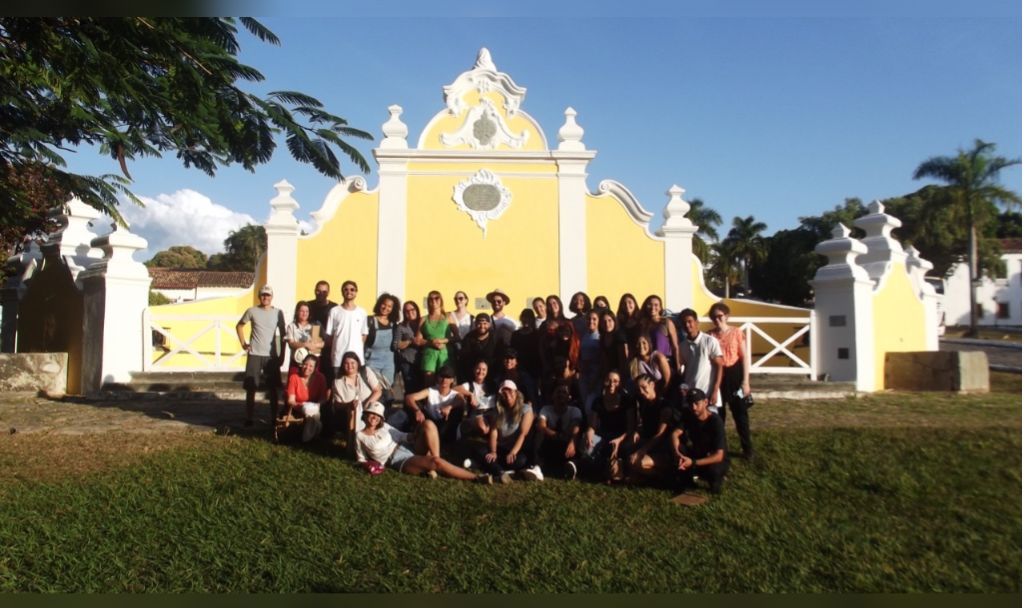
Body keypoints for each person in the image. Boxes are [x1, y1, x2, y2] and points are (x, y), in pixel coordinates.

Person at [356, 402, 492, 484]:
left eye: (377, 415)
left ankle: (434, 461)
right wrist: (368, 465)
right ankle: (477, 478)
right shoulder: (360, 436)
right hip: (397, 458)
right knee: (435, 462)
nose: (374, 417)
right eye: (371, 413)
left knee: (428, 424)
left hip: (407, 445)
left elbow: (401, 435)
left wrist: (416, 435)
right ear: (366, 414)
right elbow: (361, 459)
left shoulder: (384, 426)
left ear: (381, 418)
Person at [707, 302, 754, 459]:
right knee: (719, 415)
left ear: (726, 316)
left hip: (734, 373)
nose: (717, 320)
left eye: (719, 316)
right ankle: (720, 449)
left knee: (740, 414)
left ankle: (747, 449)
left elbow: (744, 357)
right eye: (714, 317)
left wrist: (746, 381)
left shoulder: (736, 332)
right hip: (718, 375)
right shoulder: (710, 335)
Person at [236, 284, 286, 427]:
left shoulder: (278, 312)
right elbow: (239, 326)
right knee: (251, 387)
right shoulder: (251, 311)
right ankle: (249, 418)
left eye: (268, 295)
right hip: (255, 354)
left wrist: (282, 354)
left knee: (273, 389)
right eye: (263, 295)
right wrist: (243, 343)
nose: (265, 297)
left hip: (271, 356)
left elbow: (283, 334)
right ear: (259, 296)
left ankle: (274, 418)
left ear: (272, 297)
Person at [475, 380, 543, 483]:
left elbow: (523, 434)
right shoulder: (497, 410)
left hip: (517, 449)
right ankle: (500, 471)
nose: (507, 395)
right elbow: (494, 432)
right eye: (504, 392)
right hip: (500, 447)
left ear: (516, 392)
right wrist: (493, 451)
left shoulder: (526, 409)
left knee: (521, 460)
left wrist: (512, 452)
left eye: (510, 391)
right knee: (479, 450)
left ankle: (492, 467)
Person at [669, 389, 729, 495]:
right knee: (680, 449)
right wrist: (677, 453)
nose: (693, 407)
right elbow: (675, 434)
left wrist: (693, 462)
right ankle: (687, 480)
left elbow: (719, 455)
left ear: (705, 402)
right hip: (697, 453)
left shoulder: (715, 421)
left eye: (697, 403)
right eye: (690, 404)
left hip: (712, 457)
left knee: (714, 472)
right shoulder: (688, 415)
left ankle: (715, 481)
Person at [582, 370, 636, 482]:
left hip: (623, 436)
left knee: (628, 446)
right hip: (604, 435)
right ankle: (604, 467)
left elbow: (631, 427)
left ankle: (615, 468)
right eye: (609, 380)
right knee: (587, 445)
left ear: (620, 383)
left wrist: (619, 440)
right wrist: (589, 432)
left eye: (615, 381)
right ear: (604, 382)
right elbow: (593, 425)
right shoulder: (598, 401)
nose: (612, 384)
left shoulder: (627, 401)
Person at [329, 351, 382, 448]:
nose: (350, 366)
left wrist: (367, 404)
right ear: (342, 365)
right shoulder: (338, 382)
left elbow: (378, 391)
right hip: (349, 412)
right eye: (346, 363)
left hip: (369, 407)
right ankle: (353, 445)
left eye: (353, 363)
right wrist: (349, 404)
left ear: (358, 363)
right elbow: (337, 404)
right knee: (354, 411)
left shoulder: (366, 372)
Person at [401, 365, 464, 443]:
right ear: (437, 378)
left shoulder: (455, 394)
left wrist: (449, 407)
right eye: (442, 377)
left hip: (445, 424)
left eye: (447, 378)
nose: (444, 380)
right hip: (430, 421)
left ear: (452, 380)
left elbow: (461, 401)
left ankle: (448, 439)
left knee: (458, 409)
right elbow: (409, 397)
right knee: (413, 404)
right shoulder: (431, 390)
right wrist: (417, 411)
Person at [627, 373, 672, 481]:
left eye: (644, 387)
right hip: (647, 440)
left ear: (652, 385)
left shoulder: (664, 406)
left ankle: (663, 475)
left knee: (639, 462)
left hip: (663, 445)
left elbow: (660, 434)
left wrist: (642, 450)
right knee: (628, 454)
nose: (641, 392)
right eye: (639, 389)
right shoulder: (642, 402)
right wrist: (637, 431)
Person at [535, 381, 584, 480]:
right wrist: (557, 435)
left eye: (564, 392)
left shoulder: (575, 411)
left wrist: (572, 442)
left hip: (568, 445)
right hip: (551, 443)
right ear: (552, 396)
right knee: (539, 434)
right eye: (558, 392)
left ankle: (572, 466)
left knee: (578, 437)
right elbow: (541, 426)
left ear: (569, 397)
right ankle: (537, 465)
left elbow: (575, 427)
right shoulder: (546, 409)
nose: (561, 395)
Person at [678, 308, 724, 409]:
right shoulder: (682, 346)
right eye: (684, 323)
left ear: (697, 322)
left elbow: (720, 366)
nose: (687, 325)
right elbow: (684, 369)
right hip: (690, 396)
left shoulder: (710, 341)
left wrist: (715, 390)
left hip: (707, 395)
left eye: (690, 321)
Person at [276, 353, 328, 443]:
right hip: (298, 408)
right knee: (312, 414)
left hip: (315, 407)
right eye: (305, 364)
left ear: (315, 368)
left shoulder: (321, 378)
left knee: (313, 411)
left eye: (311, 366)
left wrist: (316, 406)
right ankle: (309, 437)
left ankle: (306, 438)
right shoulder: (294, 377)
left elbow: (323, 398)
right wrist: (303, 407)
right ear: (302, 364)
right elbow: (291, 400)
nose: (307, 368)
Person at [325, 280, 369, 376]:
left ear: (356, 292)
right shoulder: (334, 311)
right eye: (346, 289)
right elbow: (329, 336)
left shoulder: (362, 312)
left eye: (352, 289)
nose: (349, 292)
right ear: (342, 292)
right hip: (338, 359)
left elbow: (364, 334)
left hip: (357, 359)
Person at [365, 293, 400, 402]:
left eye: (390, 306)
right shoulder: (369, 321)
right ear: (379, 304)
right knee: (372, 391)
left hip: (388, 364)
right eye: (384, 304)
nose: (386, 308)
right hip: (371, 362)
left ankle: (384, 415)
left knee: (386, 392)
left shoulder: (394, 325)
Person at [419, 290, 453, 388]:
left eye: (436, 298)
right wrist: (431, 342)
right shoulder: (424, 319)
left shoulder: (448, 317)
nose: (434, 301)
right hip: (429, 354)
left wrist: (443, 341)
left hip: (444, 353)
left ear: (441, 300)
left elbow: (456, 337)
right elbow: (418, 340)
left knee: (445, 383)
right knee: (428, 384)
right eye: (431, 299)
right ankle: (428, 403)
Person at [305, 280, 337, 381]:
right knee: (311, 377)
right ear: (315, 291)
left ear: (328, 292)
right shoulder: (308, 306)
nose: (321, 294)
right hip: (311, 348)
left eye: (324, 291)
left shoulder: (335, 308)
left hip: (329, 348)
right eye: (318, 291)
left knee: (328, 378)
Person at [640, 294, 680, 369]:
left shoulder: (667, 322)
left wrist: (678, 364)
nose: (653, 307)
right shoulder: (642, 324)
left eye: (656, 305)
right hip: (648, 364)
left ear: (660, 307)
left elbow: (675, 346)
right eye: (650, 304)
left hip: (665, 363)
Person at [576, 310, 603, 417]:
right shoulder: (584, 336)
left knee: (593, 403)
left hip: (596, 375)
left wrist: (595, 378)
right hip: (584, 375)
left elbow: (602, 359)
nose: (591, 321)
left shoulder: (600, 336)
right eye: (588, 319)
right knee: (585, 402)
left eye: (594, 319)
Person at [458, 313, 499, 383]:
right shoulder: (469, 338)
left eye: (485, 323)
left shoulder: (496, 338)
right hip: (472, 375)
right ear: (475, 324)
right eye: (479, 323)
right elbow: (464, 358)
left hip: (492, 374)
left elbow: (499, 357)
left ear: (489, 324)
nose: (482, 326)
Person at [285, 301, 322, 373]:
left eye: (306, 311)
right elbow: (291, 344)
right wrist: (305, 344)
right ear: (297, 312)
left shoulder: (314, 326)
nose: (304, 313)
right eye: (302, 311)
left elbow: (317, 347)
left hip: (311, 364)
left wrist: (315, 345)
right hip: (296, 361)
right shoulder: (291, 326)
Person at [396, 300, 424, 393]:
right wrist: (410, 341)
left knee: (423, 388)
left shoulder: (423, 322)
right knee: (410, 388)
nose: (410, 312)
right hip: (408, 362)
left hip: (423, 361)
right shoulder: (401, 326)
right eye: (406, 311)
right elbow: (396, 345)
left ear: (417, 309)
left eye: (412, 309)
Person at [510, 309, 542, 380]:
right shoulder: (515, 334)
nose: (526, 320)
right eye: (524, 317)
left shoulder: (537, 334)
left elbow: (540, 353)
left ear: (532, 320)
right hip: (519, 369)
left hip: (534, 370)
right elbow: (512, 352)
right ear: (521, 318)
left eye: (529, 318)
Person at [599, 309, 629, 378]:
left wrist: (620, 376)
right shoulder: (602, 338)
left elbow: (623, 360)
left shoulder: (619, 336)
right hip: (609, 373)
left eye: (609, 320)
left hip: (620, 373)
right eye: (604, 321)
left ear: (614, 321)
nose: (607, 324)